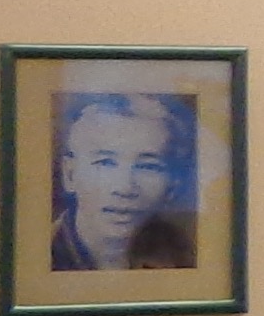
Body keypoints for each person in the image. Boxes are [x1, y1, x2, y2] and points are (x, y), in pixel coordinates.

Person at [41, 96, 195, 277]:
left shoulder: (186, 256)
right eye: (105, 163)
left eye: (148, 166)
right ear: (70, 175)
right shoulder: (38, 255)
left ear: (173, 186)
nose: (124, 188)